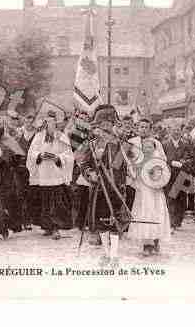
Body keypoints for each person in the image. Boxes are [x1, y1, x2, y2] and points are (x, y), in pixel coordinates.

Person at [76, 105, 130, 267]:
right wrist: (90, 173)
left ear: (113, 123)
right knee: (102, 224)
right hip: (98, 190)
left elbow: (122, 167)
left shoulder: (121, 144)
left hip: (115, 190)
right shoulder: (91, 144)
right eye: (101, 123)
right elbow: (84, 163)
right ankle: (106, 254)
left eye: (108, 122)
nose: (104, 126)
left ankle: (114, 256)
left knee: (115, 223)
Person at [27, 111, 74, 239]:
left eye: (52, 122)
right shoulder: (38, 137)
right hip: (42, 173)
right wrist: (39, 155)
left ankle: (55, 227)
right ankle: (47, 226)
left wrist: (58, 158)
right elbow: (31, 153)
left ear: (56, 123)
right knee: (44, 201)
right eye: (47, 122)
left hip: (56, 173)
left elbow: (69, 155)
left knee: (56, 202)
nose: (50, 125)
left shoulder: (62, 137)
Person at [127, 120, 171, 256]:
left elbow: (163, 161)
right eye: (141, 126)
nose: (143, 129)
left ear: (150, 129)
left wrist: (156, 172)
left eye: (146, 127)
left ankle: (156, 237)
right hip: (141, 184)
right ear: (137, 128)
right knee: (144, 210)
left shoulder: (156, 143)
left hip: (155, 185)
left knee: (157, 210)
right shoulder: (132, 143)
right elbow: (128, 161)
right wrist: (133, 171)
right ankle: (147, 242)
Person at [163, 124, 195, 230]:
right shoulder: (165, 144)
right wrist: (170, 162)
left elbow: (191, 158)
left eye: (178, 130)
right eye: (174, 130)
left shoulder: (186, 144)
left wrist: (185, 162)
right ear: (170, 131)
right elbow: (162, 158)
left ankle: (178, 219)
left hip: (182, 174)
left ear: (181, 132)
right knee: (170, 197)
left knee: (181, 198)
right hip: (170, 175)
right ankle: (171, 221)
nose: (176, 132)